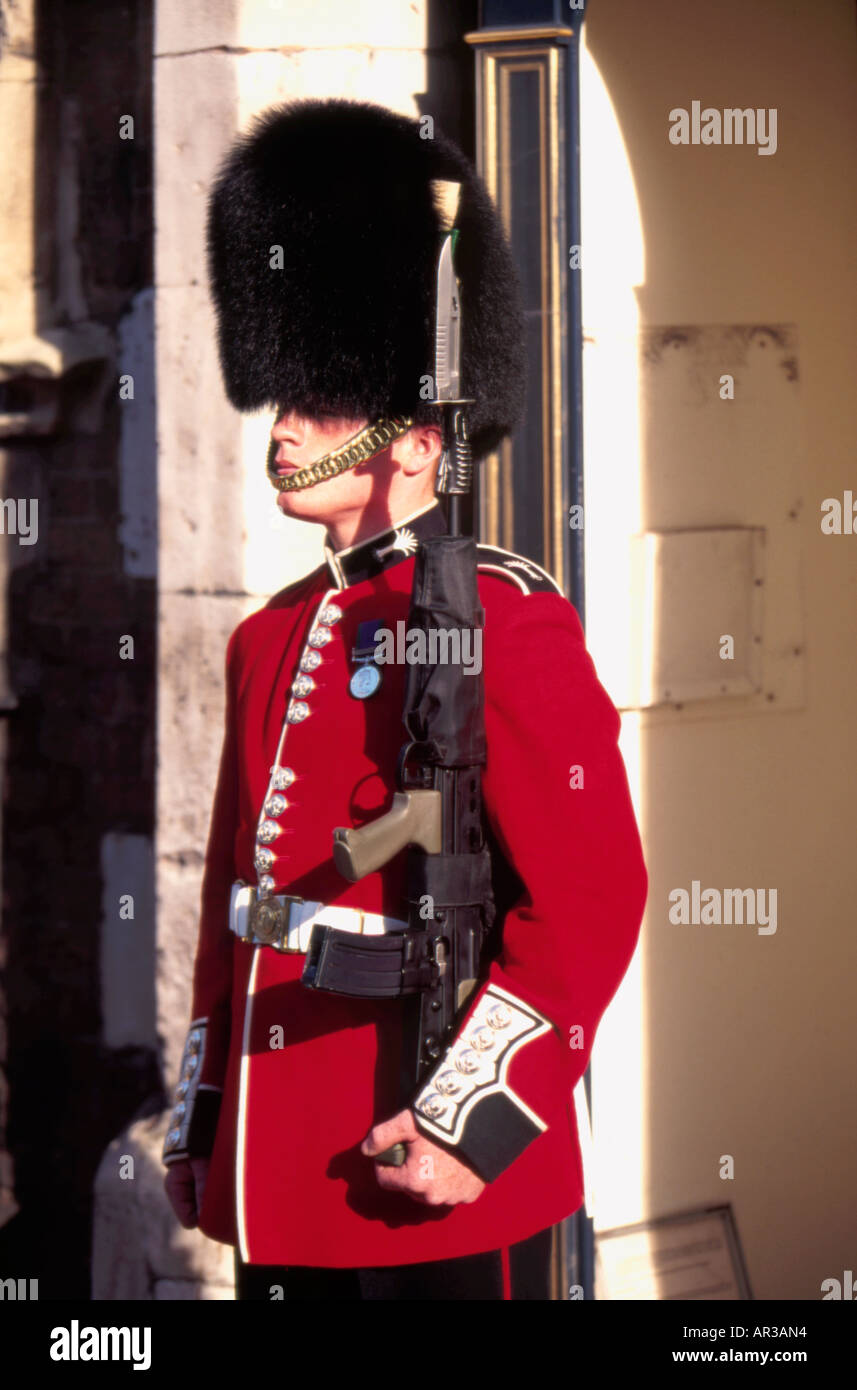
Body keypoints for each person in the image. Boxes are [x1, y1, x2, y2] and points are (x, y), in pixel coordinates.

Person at [162, 98, 648, 1301]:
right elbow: (241, 908)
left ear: (418, 443)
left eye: (319, 406)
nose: (282, 433)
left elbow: (590, 899)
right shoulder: (266, 634)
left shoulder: (502, 617)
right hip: (273, 1156)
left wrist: (470, 1119)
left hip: (411, 1139)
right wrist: (200, 1116)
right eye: (286, 398)